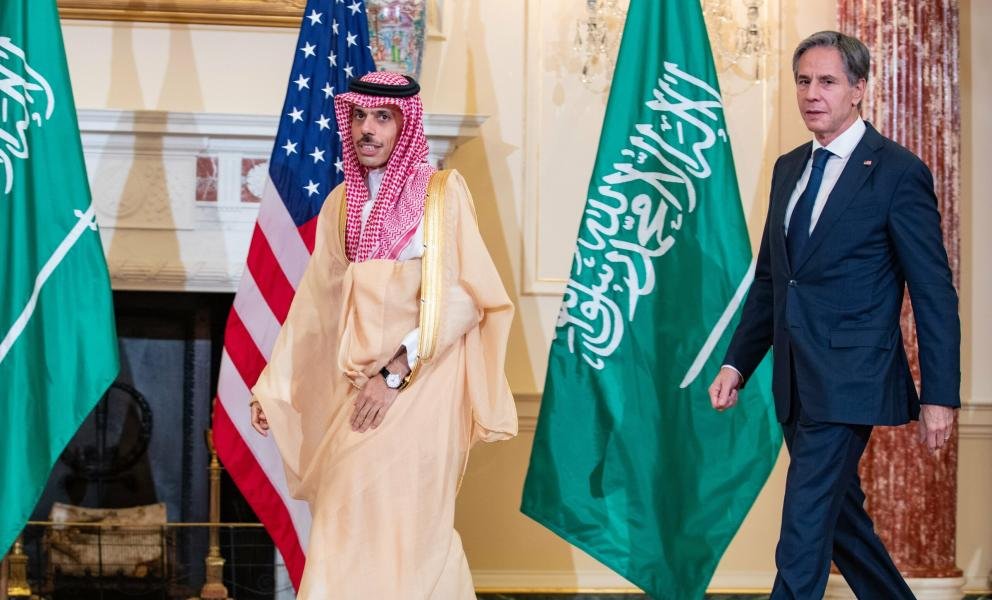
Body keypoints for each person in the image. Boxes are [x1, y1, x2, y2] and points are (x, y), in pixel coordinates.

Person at [708, 31, 959, 599]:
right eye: (803, 81)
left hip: (852, 380)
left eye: (827, 81)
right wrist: (736, 364)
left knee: (802, 530)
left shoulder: (897, 172)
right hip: (794, 380)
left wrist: (940, 394)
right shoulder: (788, 168)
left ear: (858, 89)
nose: (811, 94)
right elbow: (773, 281)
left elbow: (934, 293)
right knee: (840, 521)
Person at [249, 71, 518, 599]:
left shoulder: (441, 195)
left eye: (382, 117)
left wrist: (395, 372)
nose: (366, 129)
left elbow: (465, 296)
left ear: (405, 125)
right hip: (355, 387)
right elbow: (316, 304)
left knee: (409, 527)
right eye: (358, 116)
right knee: (343, 513)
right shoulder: (340, 203)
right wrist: (274, 384)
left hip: (421, 383)